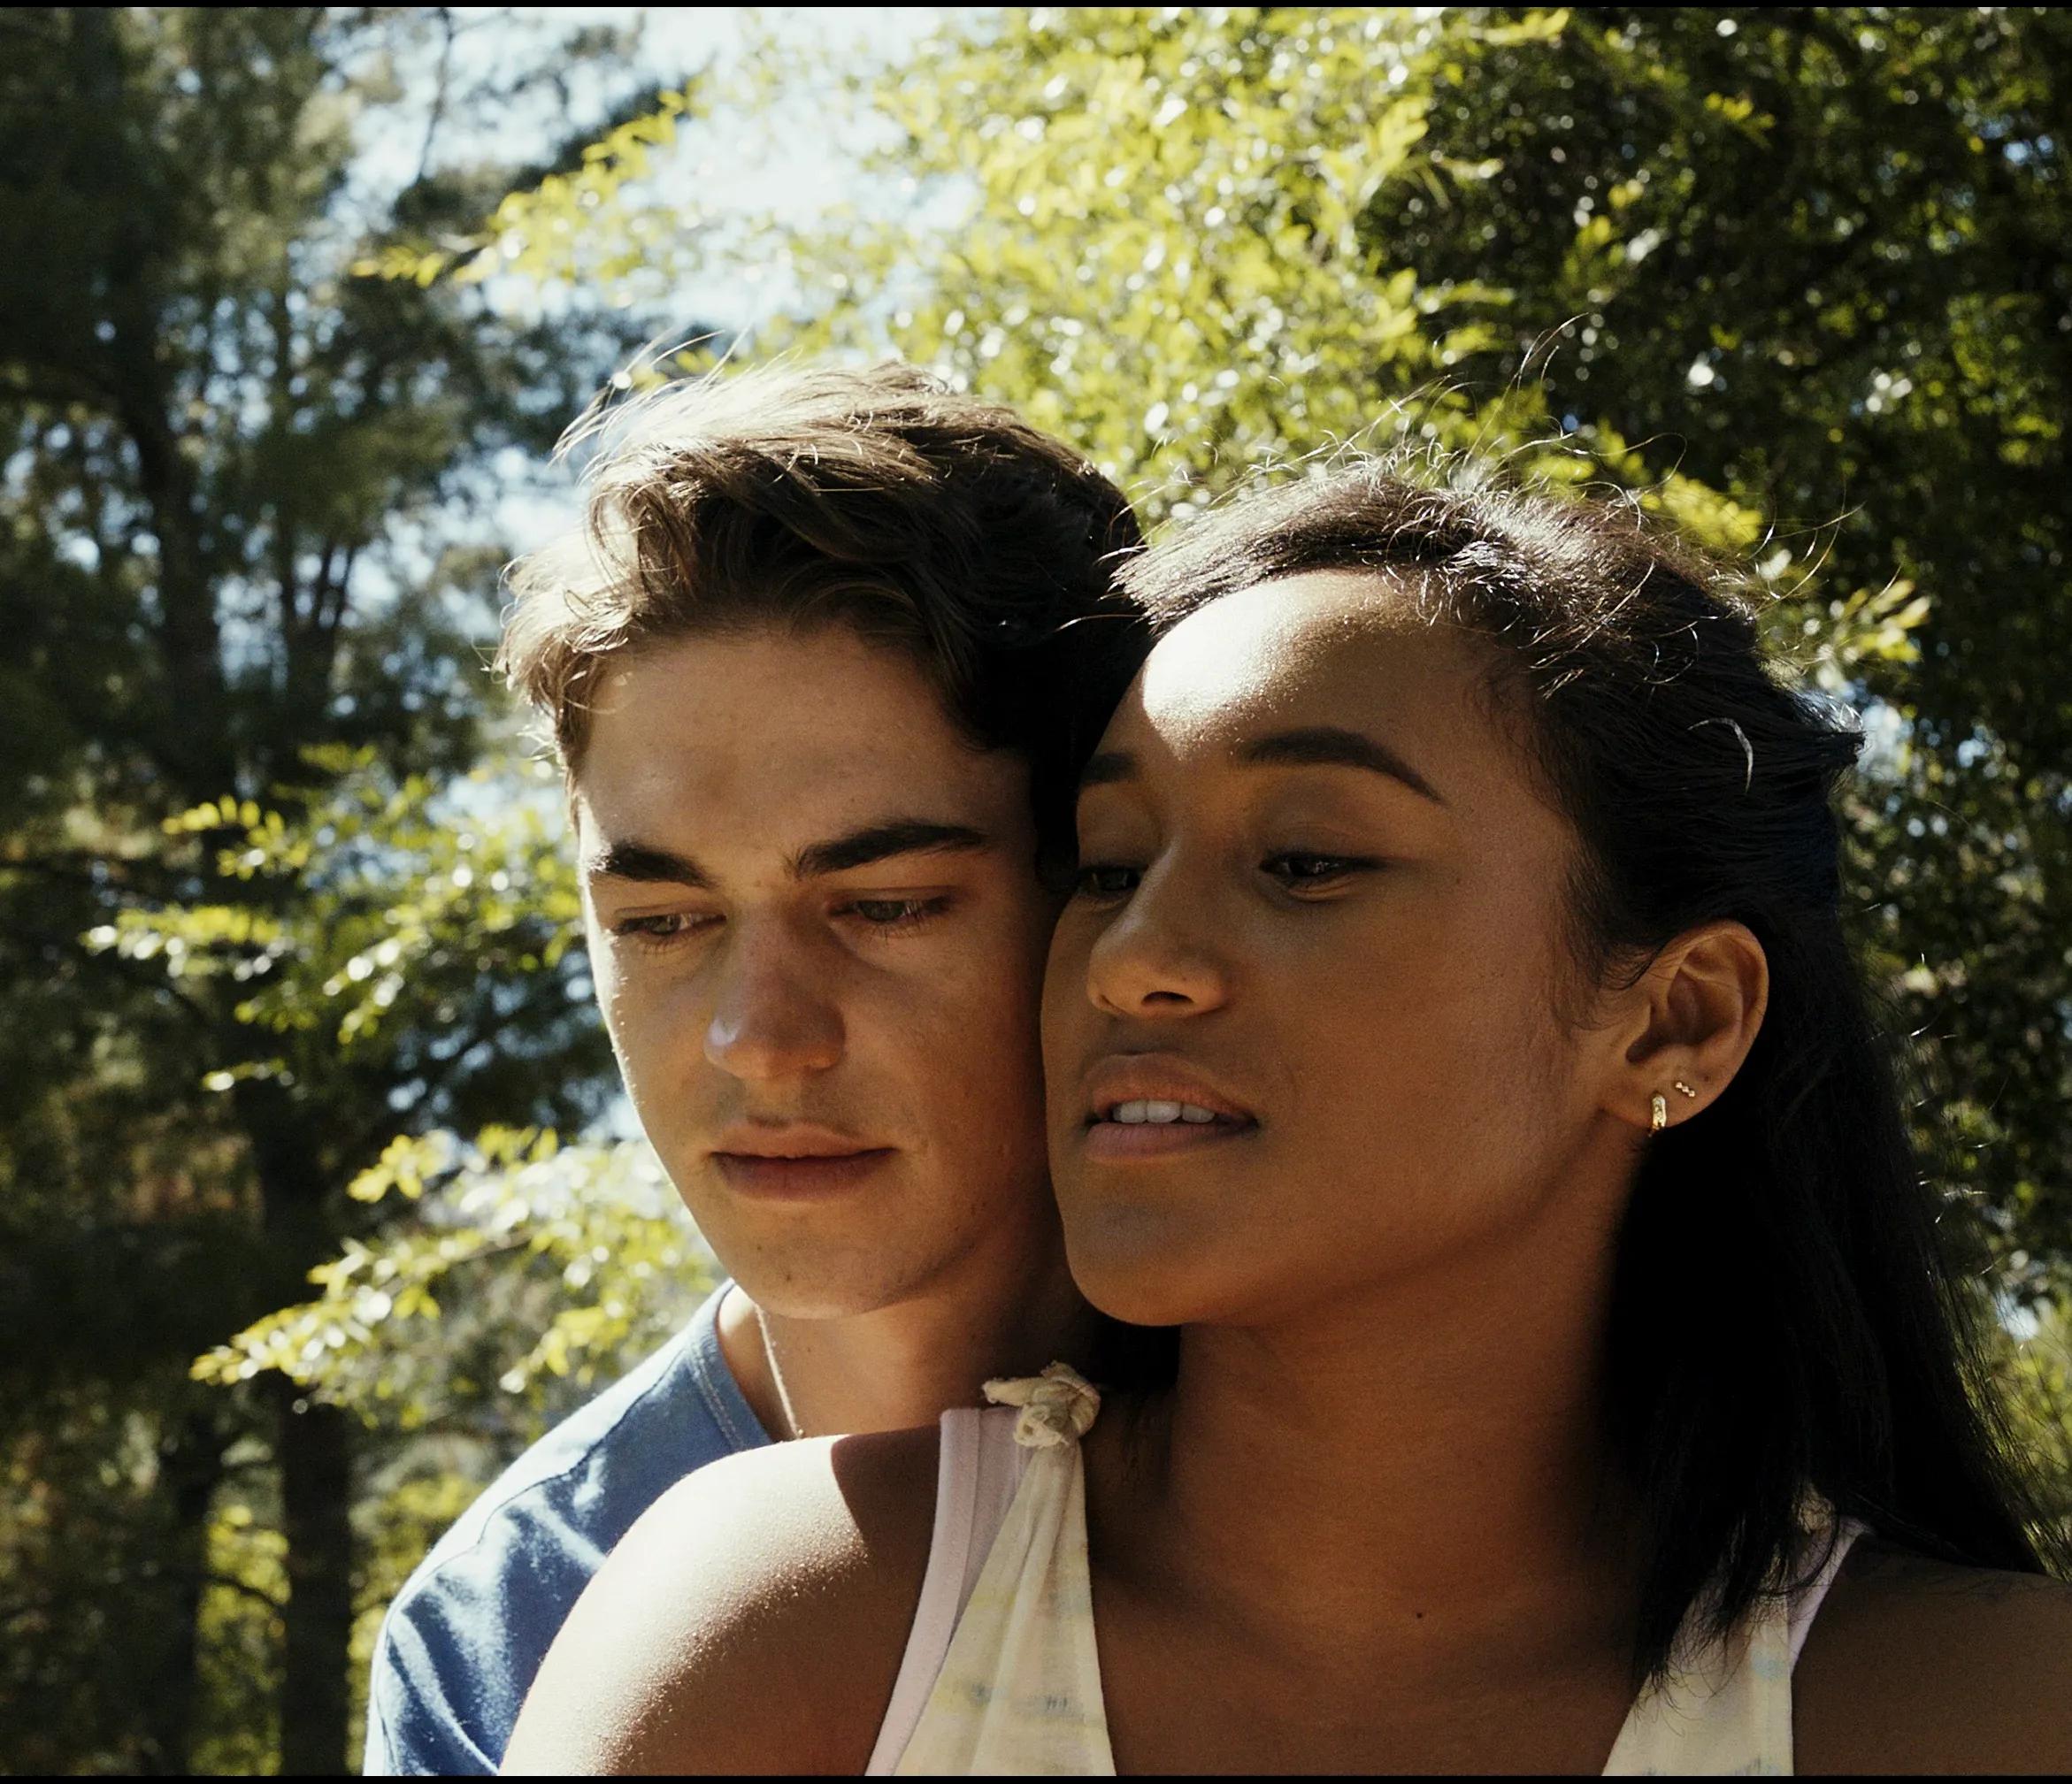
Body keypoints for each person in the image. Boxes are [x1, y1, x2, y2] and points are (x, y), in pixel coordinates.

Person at [504, 460, 2072, 1775]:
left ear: (1677, 1018)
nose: (1130, 958)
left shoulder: (1982, 1711)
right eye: (1110, 866)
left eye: (1307, 862)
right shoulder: (780, 1626)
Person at [362, 361, 1146, 1774]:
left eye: (884, 905)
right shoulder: (505, 1633)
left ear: (1097, 889)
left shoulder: (1369, 1462)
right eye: (661, 923)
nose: (759, 1037)